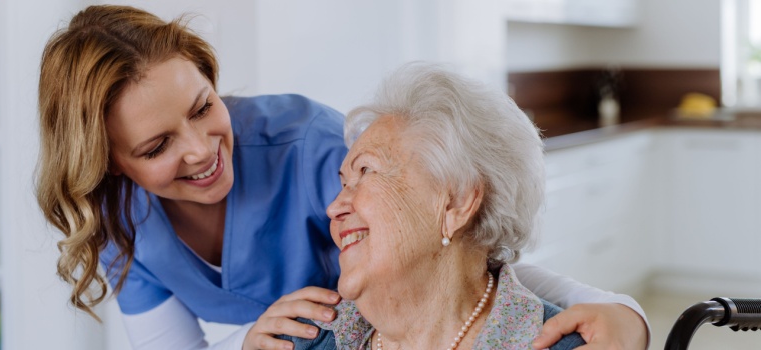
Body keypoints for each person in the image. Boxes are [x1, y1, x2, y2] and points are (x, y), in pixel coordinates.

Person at [35, 5, 649, 350]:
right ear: (111, 163)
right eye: (157, 145)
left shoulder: (313, 148)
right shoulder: (117, 218)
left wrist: (612, 308)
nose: (201, 151)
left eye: (203, 107)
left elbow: (459, 248)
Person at [280, 62, 588, 350]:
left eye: (366, 171)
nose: (334, 208)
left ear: (456, 202)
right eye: (343, 183)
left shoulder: (560, 343)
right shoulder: (300, 338)